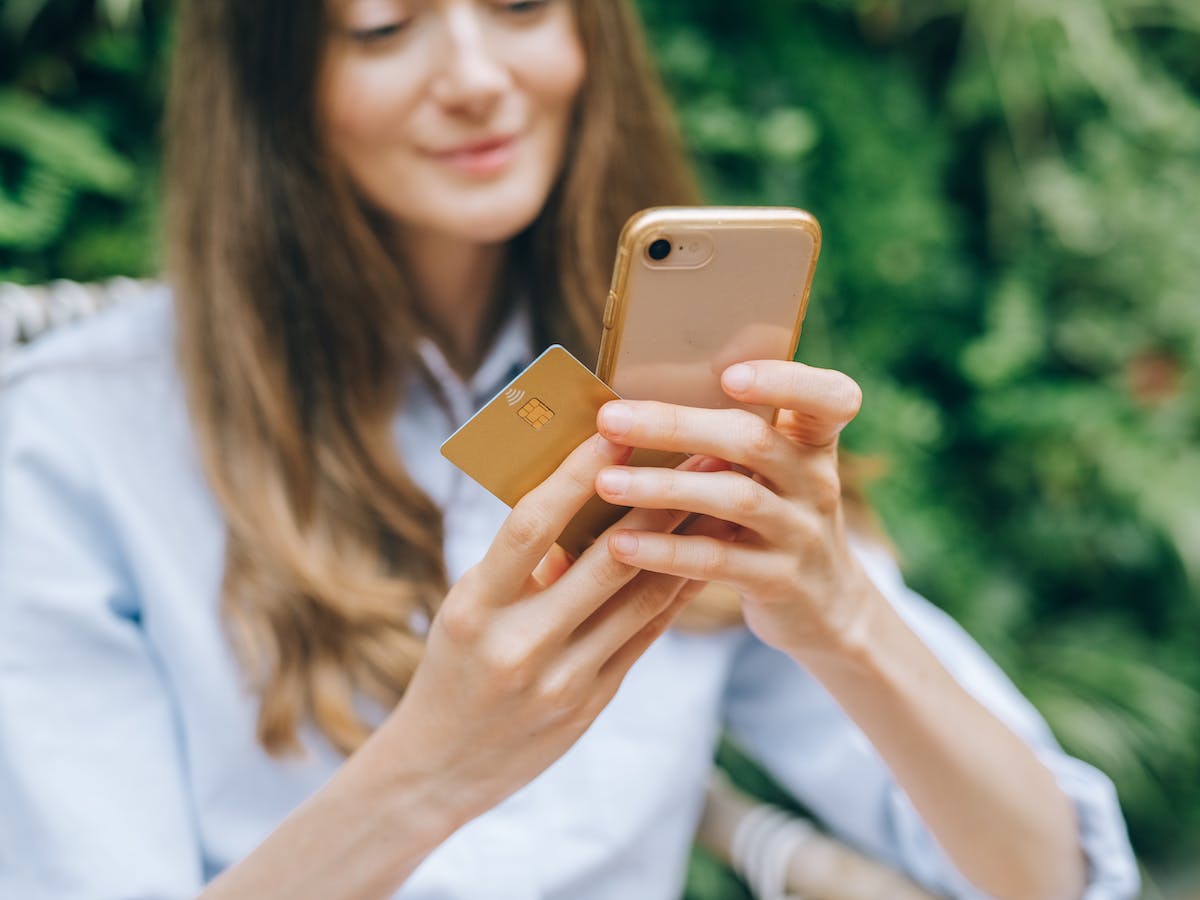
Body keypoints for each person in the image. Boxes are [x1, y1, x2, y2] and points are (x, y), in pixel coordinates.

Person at [0, 1, 1139, 898]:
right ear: (272, 81)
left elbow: (1051, 876)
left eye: (522, 4)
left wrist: (837, 611)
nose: (478, 78)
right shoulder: (75, 445)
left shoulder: (675, 408)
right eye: (384, 27)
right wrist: (434, 771)